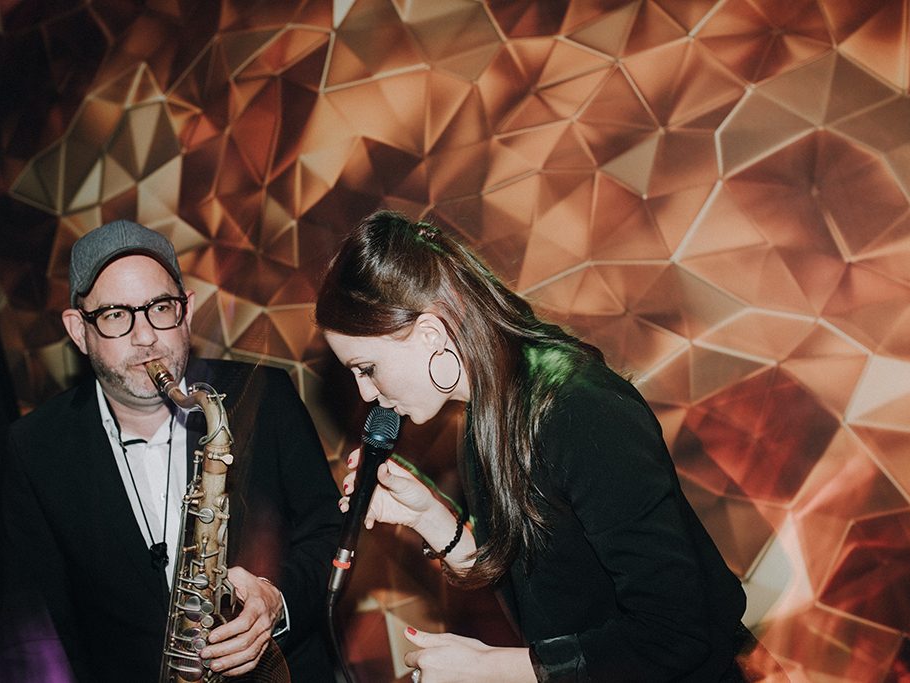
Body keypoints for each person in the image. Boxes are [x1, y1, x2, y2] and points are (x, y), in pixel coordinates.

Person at [317, 210, 750, 682]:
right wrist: (428, 516)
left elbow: (675, 636)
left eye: (366, 368)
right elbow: (546, 588)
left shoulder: (579, 409)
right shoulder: (487, 414)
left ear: (429, 334)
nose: (364, 393)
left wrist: (493, 668)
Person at [3, 219, 342, 681]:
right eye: (116, 315)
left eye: (160, 307)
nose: (145, 338)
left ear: (187, 310)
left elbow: (328, 533)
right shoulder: (34, 448)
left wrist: (275, 601)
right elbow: (49, 619)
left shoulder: (265, 394)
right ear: (78, 331)